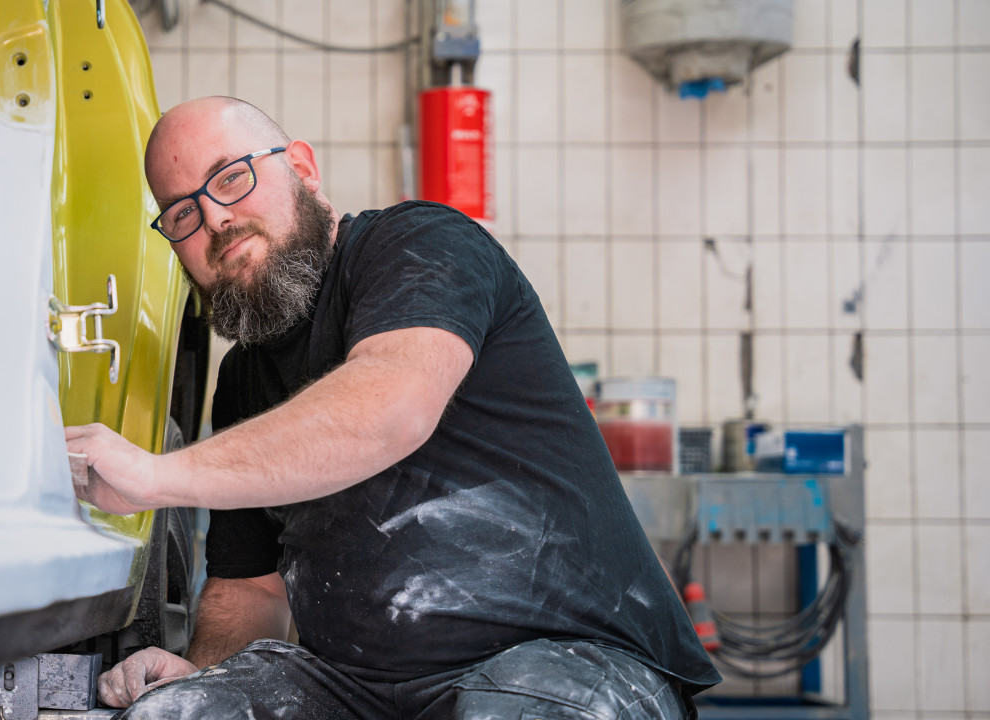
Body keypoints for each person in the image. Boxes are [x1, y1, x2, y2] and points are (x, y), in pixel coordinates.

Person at [64, 95, 720, 719]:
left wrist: (151, 478)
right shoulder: (245, 379)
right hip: (360, 690)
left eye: (230, 179)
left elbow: (387, 409)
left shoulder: (420, 243)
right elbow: (252, 588)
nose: (213, 219)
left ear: (302, 167)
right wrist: (204, 671)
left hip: (566, 665)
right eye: (181, 213)